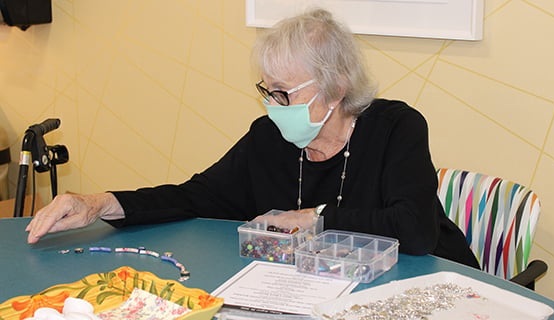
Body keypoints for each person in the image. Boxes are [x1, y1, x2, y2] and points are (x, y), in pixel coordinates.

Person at [26, 8, 479, 269]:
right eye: (268, 91)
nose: (273, 106)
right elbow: (193, 197)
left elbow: (415, 231)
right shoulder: (269, 139)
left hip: (436, 283)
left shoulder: (396, 128)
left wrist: (317, 217)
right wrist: (98, 203)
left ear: (337, 87)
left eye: (285, 93)